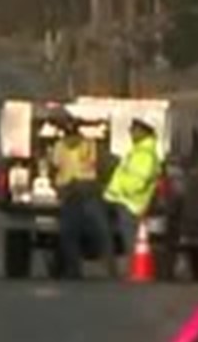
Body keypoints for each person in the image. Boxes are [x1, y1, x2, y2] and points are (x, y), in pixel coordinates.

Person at [103, 116, 164, 279]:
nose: (131, 133)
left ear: (143, 132)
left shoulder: (145, 155)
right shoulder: (138, 151)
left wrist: (120, 190)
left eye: (134, 130)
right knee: (125, 238)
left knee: (131, 239)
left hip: (130, 204)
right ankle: (129, 270)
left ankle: (135, 271)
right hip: (123, 201)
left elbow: (139, 182)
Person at [48, 114, 106, 280]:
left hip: (73, 192)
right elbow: (99, 167)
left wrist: (56, 186)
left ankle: (75, 269)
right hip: (84, 191)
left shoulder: (60, 146)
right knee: (98, 232)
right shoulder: (89, 145)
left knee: (70, 233)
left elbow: (54, 167)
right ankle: (106, 269)